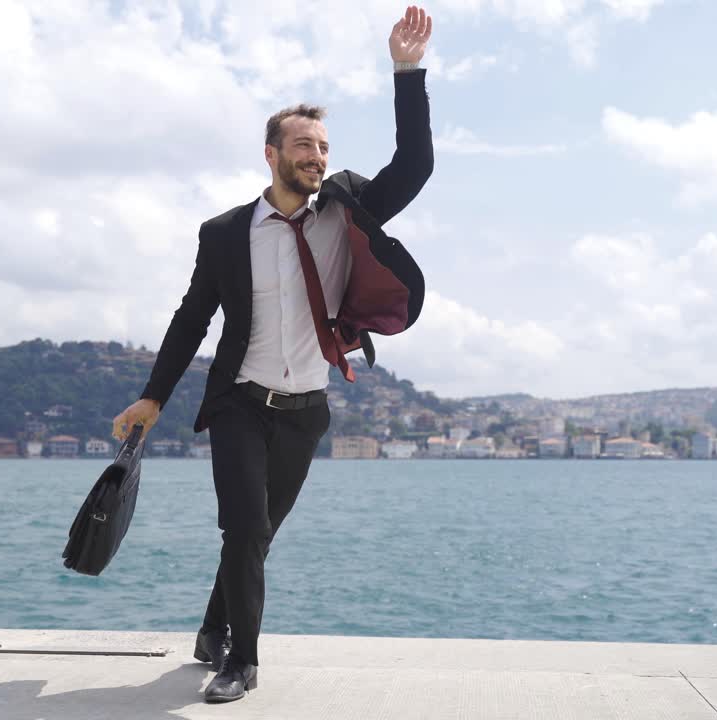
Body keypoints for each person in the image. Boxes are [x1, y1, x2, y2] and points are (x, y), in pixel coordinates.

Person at [111, 5, 435, 704]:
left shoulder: (345, 210)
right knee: (245, 525)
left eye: (322, 146)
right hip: (238, 403)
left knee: (256, 538)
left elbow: (414, 165)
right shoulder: (226, 233)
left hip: (304, 411)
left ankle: (211, 627)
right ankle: (240, 662)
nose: (316, 157)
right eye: (303, 147)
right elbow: (192, 318)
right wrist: (152, 396)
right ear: (272, 153)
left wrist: (407, 74)